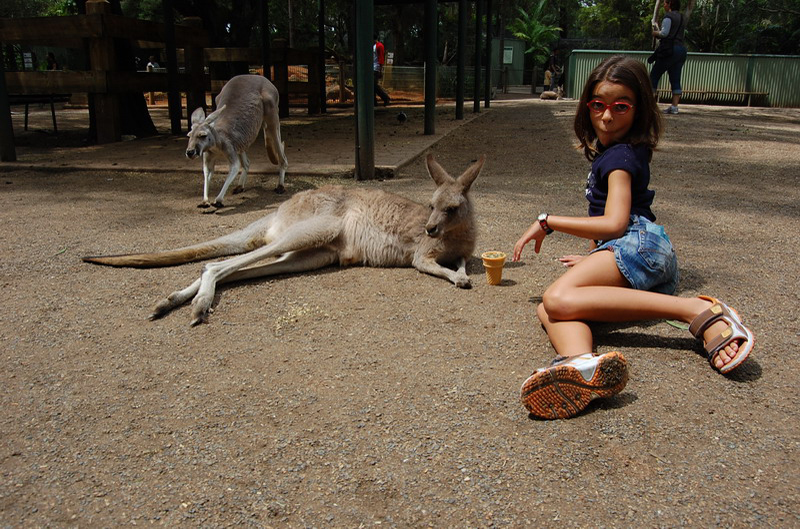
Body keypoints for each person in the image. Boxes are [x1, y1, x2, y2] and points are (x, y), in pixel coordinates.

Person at [512, 55, 754, 420]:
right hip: (635, 250)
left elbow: (614, 223)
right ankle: (581, 364)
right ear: (587, 106)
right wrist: (595, 259)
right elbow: (606, 223)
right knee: (547, 310)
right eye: (598, 105)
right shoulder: (615, 153)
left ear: (639, 110)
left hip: (640, 243)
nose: (607, 116)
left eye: (620, 107)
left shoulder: (620, 159)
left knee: (557, 298)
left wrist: (548, 222)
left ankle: (697, 309)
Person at [650, 0, 688, 114]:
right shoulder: (682, 17)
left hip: (670, 50)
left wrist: (655, 33)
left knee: (654, 76)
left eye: (665, 3)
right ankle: (674, 107)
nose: (664, 5)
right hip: (681, 50)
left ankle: (650, 106)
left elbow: (664, 33)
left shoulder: (668, 17)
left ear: (670, 4)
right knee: (675, 78)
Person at [373, 35, 390, 106]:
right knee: (372, 86)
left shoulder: (379, 46)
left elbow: (381, 58)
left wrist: (380, 69)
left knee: (373, 85)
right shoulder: (372, 46)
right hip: (372, 67)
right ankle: (373, 102)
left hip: (376, 68)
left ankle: (385, 97)